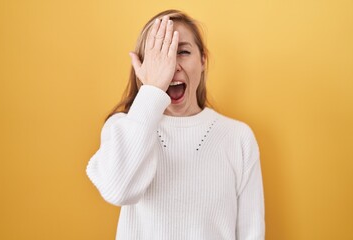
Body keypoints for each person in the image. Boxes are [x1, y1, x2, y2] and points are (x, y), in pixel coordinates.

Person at [86, 9, 265, 240]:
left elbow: (252, 232)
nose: (172, 65)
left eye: (182, 51)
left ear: (203, 60)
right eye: (160, 55)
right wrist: (152, 89)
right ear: (144, 68)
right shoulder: (122, 127)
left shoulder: (238, 137)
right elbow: (118, 191)